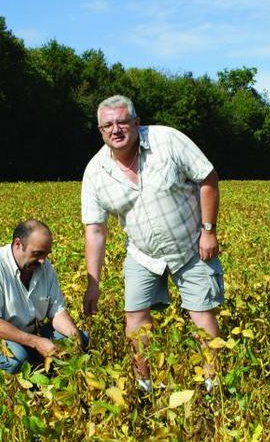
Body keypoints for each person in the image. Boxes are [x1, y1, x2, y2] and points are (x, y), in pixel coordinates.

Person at [81, 95, 223, 393]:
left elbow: (208, 177)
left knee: (202, 314)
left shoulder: (167, 140)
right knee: (135, 316)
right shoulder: (95, 172)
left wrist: (208, 231)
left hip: (190, 246)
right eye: (108, 125)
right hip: (142, 253)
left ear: (136, 122)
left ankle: (214, 386)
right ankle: (144, 386)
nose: (116, 129)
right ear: (100, 130)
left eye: (122, 122)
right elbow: (95, 230)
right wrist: (93, 283)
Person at [0, 219, 88, 373]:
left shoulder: (44, 267)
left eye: (46, 254)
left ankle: (41, 368)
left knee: (79, 338)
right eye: (37, 253)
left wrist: (76, 340)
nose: (43, 260)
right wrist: (36, 342)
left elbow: (57, 312)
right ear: (18, 244)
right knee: (15, 359)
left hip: (23, 336)